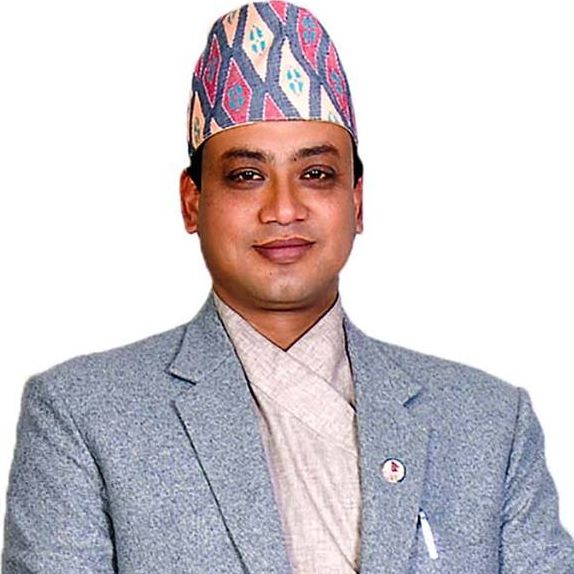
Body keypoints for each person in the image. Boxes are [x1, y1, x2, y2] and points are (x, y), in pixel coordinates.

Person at [2, 1, 573, 572]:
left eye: (316, 174)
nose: (283, 208)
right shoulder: (83, 414)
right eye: (247, 176)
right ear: (192, 201)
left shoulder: (489, 422)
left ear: (356, 202)